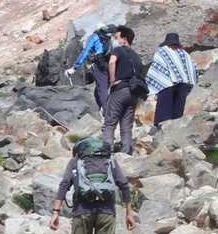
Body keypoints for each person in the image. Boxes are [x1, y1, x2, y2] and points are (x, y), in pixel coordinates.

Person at [100, 26, 142, 155]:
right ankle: (126, 153)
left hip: (120, 90)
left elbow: (112, 62)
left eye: (117, 37)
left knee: (110, 122)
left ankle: (106, 152)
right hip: (133, 93)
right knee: (126, 126)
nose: (115, 40)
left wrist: (112, 80)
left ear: (124, 39)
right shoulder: (137, 57)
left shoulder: (118, 50)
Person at [145, 32, 197, 131]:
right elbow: (193, 68)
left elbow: (157, 68)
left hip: (167, 84)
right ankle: (175, 131)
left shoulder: (162, 51)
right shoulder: (185, 54)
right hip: (184, 85)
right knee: (178, 110)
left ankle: (162, 129)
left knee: (164, 110)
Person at [65, 24, 117, 110]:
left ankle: (103, 107)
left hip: (104, 62)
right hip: (100, 63)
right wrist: (74, 68)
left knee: (103, 86)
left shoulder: (101, 37)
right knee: (103, 87)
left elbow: (86, 52)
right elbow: (86, 52)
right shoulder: (98, 37)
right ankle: (106, 110)